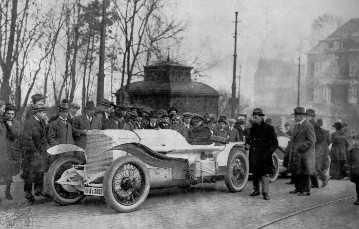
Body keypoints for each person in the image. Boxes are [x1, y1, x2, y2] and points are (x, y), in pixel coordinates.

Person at [246, 108, 278, 200]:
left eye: (256, 117)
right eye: (254, 117)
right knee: (255, 173)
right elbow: (249, 140)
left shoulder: (269, 128)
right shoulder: (252, 128)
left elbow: (275, 143)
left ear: (261, 117)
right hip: (255, 154)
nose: (254, 119)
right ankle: (256, 190)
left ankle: (265, 192)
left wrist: (269, 152)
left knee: (265, 174)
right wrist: (247, 145)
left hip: (265, 155)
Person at [20, 104, 49, 203]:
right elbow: (27, 139)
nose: (45, 114)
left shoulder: (41, 122)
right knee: (30, 173)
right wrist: (34, 152)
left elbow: (43, 137)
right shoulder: (29, 123)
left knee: (40, 172)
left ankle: (39, 190)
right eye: (43, 112)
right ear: (38, 113)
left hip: (40, 152)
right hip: (31, 153)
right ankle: (28, 192)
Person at [287, 107, 316, 196]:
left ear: (301, 116)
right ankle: (299, 188)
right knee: (298, 171)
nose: (294, 118)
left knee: (304, 172)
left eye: (295, 116)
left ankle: (306, 190)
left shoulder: (308, 125)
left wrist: (300, 147)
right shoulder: (297, 125)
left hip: (305, 154)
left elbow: (312, 140)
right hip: (298, 154)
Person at [0, 104, 21, 202]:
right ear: (5, 113)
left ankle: (7, 192)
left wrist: (10, 125)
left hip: (12, 152)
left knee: (9, 174)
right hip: (2, 151)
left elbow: (17, 135)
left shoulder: (16, 123)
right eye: (8, 113)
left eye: (12, 114)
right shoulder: (1, 122)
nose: (10, 116)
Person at [306, 109, 325, 188]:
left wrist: (314, 142)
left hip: (315, 148)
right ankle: (315, 183)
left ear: (312, 116)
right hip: (310, 147)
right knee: (310, 166)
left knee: (314, 166)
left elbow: (321, 137)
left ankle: (324, 178)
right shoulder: (308, 123)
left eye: (309, 115)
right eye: (307, 115)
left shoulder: (315, 125)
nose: (307, 117)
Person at [344, 134, 359, 205]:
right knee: (358, 185)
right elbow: (348, 161)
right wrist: (348, 169)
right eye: (355, 139)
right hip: (356, 170)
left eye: (357, 139)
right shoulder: (351, 149)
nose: (356, 141)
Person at [316, 118, 331, 187]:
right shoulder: (327, 132)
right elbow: (329, 141)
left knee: (317, 167)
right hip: (324, 151)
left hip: (318, 151)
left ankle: (324, 178)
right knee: (321, 167)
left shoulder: (316, 131)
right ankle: (323, 178)